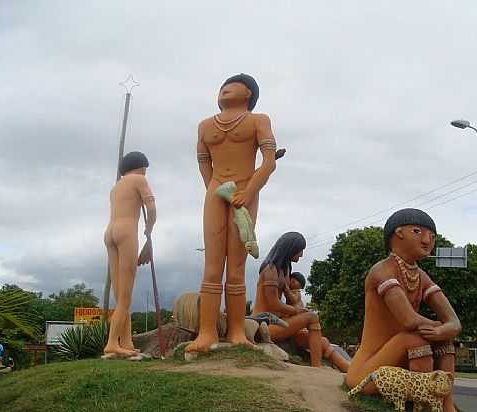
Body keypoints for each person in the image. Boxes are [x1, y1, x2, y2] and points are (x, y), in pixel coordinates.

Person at [186, 74, 277, 353]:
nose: (225, 88)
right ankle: (206, 331)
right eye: (223, 86)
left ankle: (237, 330)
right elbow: (203, 161)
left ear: (248, 92)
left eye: (233, 84)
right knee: (212, 265)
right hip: (216, 192)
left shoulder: (258, 120)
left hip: (244, 189)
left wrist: (249, 191)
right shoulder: (205, 125)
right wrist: (212, 188)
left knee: (236, 266)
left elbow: (269, 162)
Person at [346, 209, 461, 412]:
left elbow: (454, 322)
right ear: (398, 233)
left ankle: (446, 405)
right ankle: (422, 404)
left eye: (432, 237)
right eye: (418, 231)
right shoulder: (382, 271)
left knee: (444, 339)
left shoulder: (421, 276)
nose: (427, 240)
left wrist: (446, 330)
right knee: (415, 338)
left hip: (401, 369)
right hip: (368, 372)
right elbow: (409, 320)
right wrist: (439, 326)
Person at [252, 232, 350, 372]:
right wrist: (297, 311)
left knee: (319, 340)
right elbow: (273, 304)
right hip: (264, 325)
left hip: (278, 322)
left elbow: (288, 300)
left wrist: (294, 303)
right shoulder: (270, 270)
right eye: (300, 250)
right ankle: (317, 368)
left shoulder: (283, 271)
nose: (301, 255)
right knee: (312, 317)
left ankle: (346, 367)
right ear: (291, 248)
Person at [103, 151, 156, 357]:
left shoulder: (115, 188)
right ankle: (111, 344)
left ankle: (125, 341)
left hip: (109, 233)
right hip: (126, 233)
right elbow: (151, 208)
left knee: (120, 295)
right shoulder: (139, 179)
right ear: (141, 166)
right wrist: (149, 231)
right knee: (125, 297)